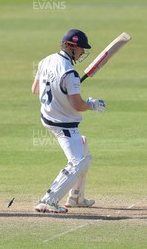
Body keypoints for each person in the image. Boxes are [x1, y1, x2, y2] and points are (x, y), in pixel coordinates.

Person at [31, 29, 105, 214]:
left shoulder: (46, 60)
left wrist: (59, 91)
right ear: (72, 48)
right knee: (78, 162)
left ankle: (76, 197)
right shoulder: (70, 73)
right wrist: (92, 105)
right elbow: (78, 105)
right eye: (81, 49)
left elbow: (35, 89)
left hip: (48, 116)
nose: (82, 53)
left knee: (83, 145)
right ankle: (48, 200)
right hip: (63, 123)